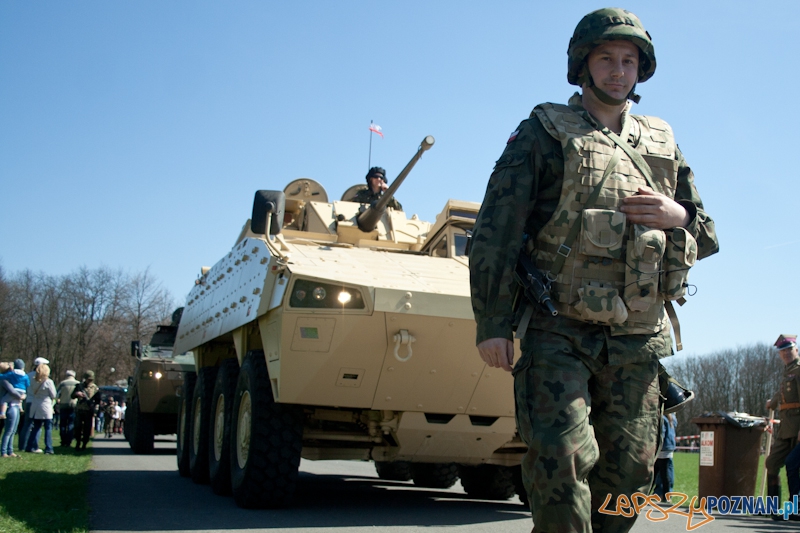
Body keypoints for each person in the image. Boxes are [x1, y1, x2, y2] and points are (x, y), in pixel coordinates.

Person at [469, 8, 718, 532]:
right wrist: (492, 323)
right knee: (560, 459)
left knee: (629, 475)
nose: (618, 71)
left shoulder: (661, 141)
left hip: (637, 338)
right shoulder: (543, 132)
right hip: (558, 328)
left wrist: (678, 216)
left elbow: (709, 232)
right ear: (583, 64)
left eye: (628, 60)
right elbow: (495, 231)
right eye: (606, 58)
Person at [765, 334, 800, 513]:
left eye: (789, 350)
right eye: (782, 351)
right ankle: (773, 507)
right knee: (772, 462)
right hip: (786, 428)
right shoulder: (787, 372)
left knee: (794, 466)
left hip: (797, 427)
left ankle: (795, 508)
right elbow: (784, 394)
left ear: (796, 350)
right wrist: (772, 402)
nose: (786, 353)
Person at [0, 360, 31, 458]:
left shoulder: (10, 377)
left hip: (15, 405)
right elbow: (13, 391)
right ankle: (4, 451)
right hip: (12, 406)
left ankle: (10, 451)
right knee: (9, 431)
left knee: (13, 430)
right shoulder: (5, 380)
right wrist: (22, 396)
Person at [24, 363, 56, 454]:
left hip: (35, 405)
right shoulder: (48, 382)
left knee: (36, 427)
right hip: (45, 405)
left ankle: (29, 446)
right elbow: (53, 394)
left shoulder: (33, 381)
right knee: (48, 427)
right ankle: (49, 448)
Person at [17, 356, 48, 452]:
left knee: (26, 424)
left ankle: (22, 445)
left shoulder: (28, 375)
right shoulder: (43, 377)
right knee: (37, 425)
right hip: (38, 402)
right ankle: (34, 446)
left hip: (28, 401)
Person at [72, 370, 100, 451]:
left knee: (87, 428)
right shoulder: (79, 386)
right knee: (78, 427)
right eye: (88, 379)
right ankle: (78, 443)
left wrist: (94, 406)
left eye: (91, 380)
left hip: (89, 411)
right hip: (80, 409)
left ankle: (84, 444)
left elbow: (98, 400)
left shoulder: (95, 388)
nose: (90, 381)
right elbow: (72, 396)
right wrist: (77, 394)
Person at [653, 413, 677, 500]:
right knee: (666, 474)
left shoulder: (662, 418)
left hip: (662, 449)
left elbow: (661, 434)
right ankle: (667, 495)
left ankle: (658, 494)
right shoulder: (672, 418)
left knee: (655, 474)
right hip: (669, 448)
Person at [56, 370, 79, 447]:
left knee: (63, 424)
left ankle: (63, 441)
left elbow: (57, 394)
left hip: (63, 405)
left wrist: (59, 399)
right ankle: (69, 441)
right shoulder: (77, 383)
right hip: (73, 405)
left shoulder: (62, 383)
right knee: (71, 424)